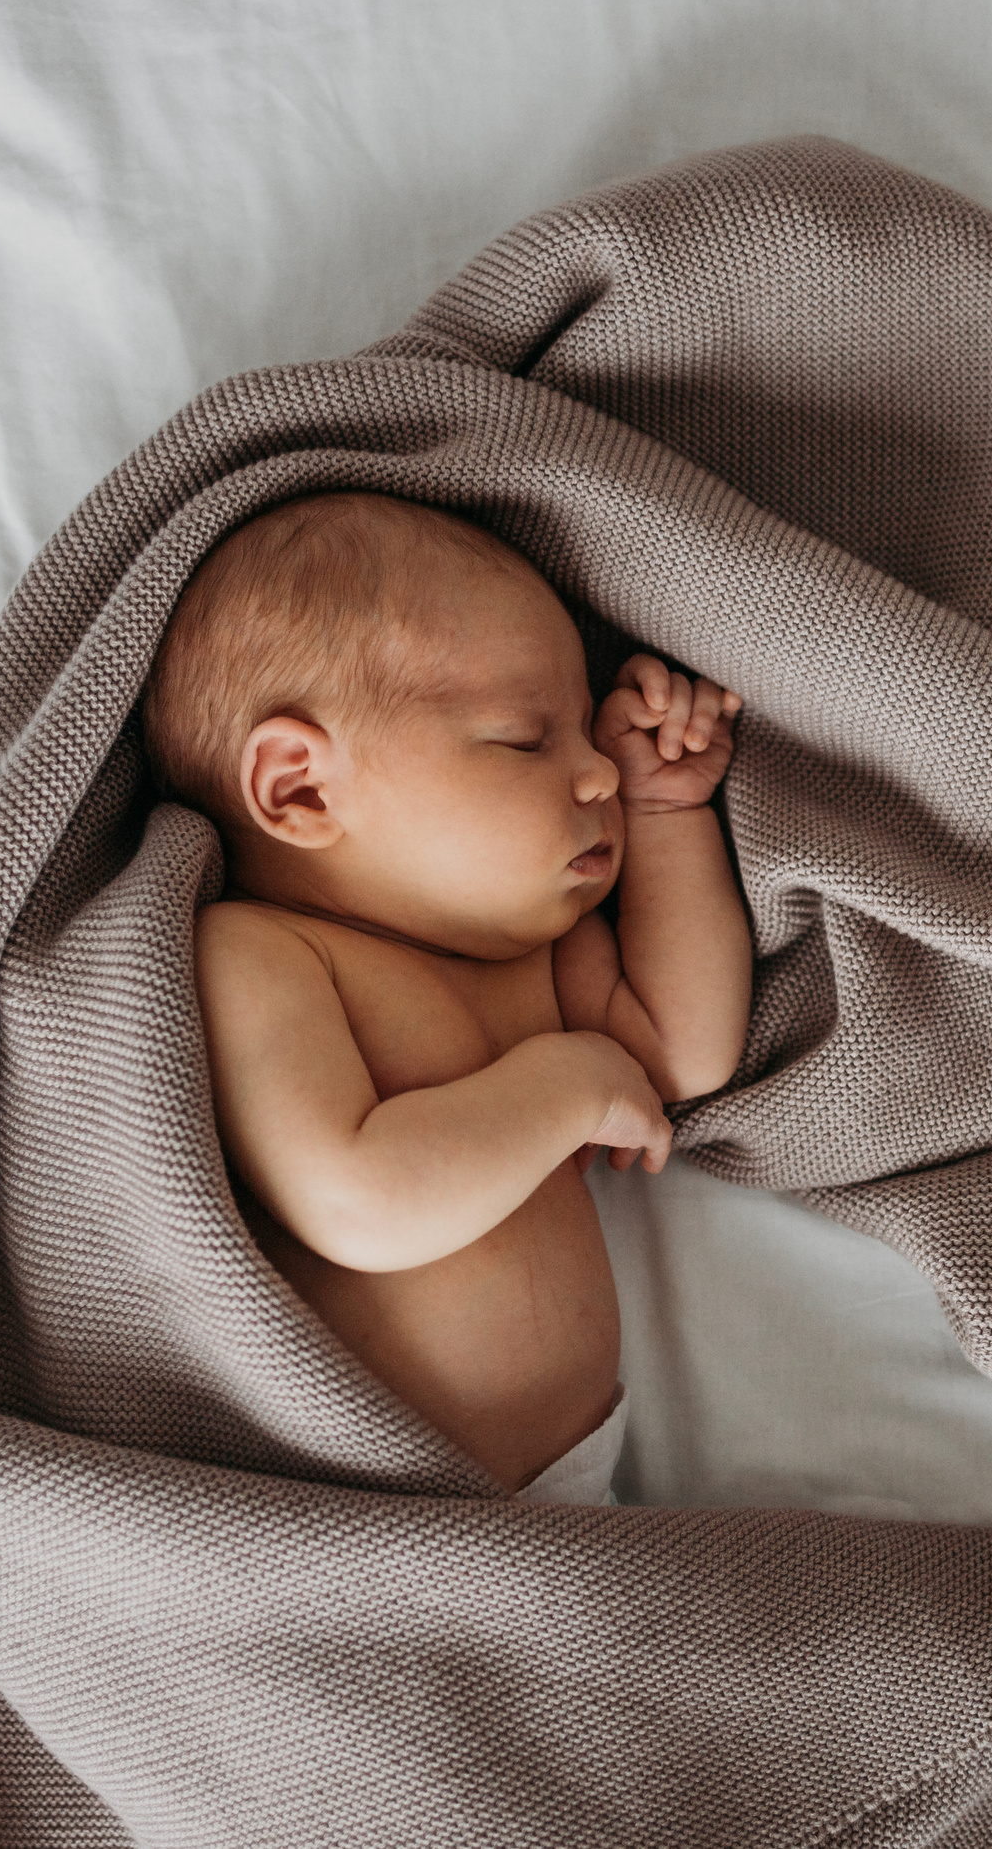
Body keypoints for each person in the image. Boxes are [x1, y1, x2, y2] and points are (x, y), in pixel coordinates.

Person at [139, 491, 750, 1502]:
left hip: (575, 1484)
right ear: (299, 789)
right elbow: (355, 1201)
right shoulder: (261, 954)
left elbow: (683, 1052)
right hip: (370, 1505)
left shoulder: (534, 957)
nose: (594, 768)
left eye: (588, 742)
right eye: (523, 738)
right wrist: (562, 1086)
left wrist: (667, 808)